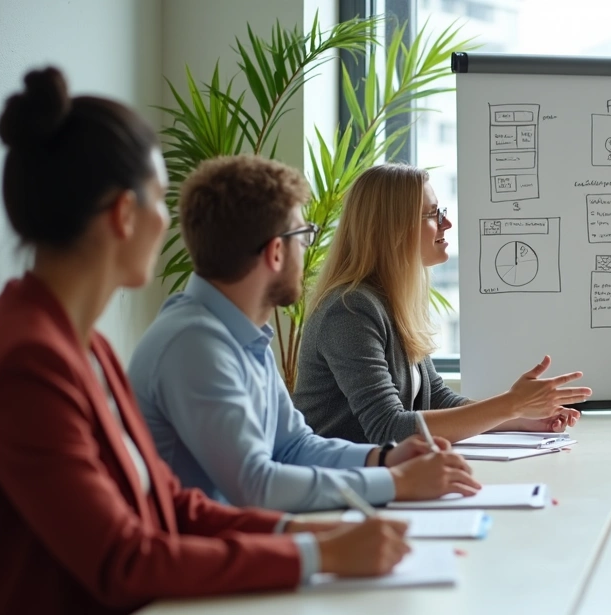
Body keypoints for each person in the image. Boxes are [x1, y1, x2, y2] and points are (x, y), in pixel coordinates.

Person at [0, 67, 408, 615]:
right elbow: (125, 559)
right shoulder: (28, 361)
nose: (169, 220)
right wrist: (318, 555)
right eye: (159, 198)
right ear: (123, 214)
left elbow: (170, 504)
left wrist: (306, 534)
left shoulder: (82, 345)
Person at [128, 155, 481, 513]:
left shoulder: (241, 336)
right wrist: (396, 482)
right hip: (213, 542)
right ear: (276, 252)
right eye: (303, 236)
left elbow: (295, 446)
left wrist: (384, 458)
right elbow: (256, 486)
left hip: (247, 532)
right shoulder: (194, 345)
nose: (308, 249)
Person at [295, 163, 592, 445]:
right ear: (393, 228)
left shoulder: (392, 301)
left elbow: (437, 399)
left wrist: (523, 420)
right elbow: (388, 428)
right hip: (341, 478)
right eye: (433, 214)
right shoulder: (350, 311)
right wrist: (511, 405)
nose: (446, 223)